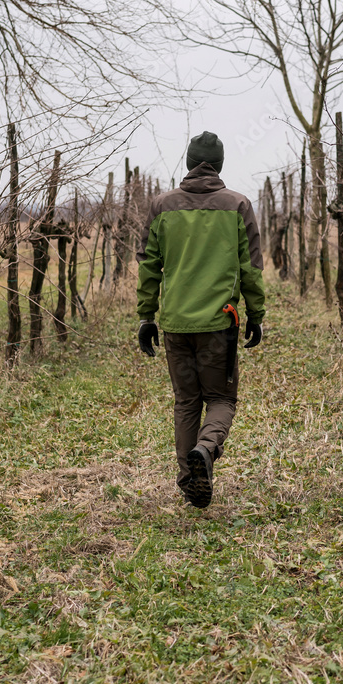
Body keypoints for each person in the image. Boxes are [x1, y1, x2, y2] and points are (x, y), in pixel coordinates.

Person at [136, 131, 266, 508]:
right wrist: (256, 314)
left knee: (187, 402)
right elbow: (251, 269)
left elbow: (149, 267)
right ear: (220, 165)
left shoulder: (162, 206)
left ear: (189, 162)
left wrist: (147, 317)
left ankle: (188, 477)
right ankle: (206, 451)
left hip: (175, 323)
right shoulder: (238, 205)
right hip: (219, 324)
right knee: (222, 398)